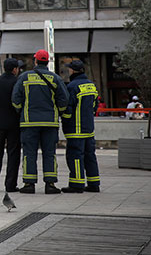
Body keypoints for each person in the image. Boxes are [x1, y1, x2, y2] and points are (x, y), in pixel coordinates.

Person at [11, 49, 68, 195]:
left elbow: (15, 99)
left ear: (35, 61)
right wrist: (59, 112)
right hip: (50, 123)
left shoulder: (24, 77)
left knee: (29, 154)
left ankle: (29, 184)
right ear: (47, 62)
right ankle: (50, 184)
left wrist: (21, 111)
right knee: (49, 154)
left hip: (29, 123)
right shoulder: (55, 78)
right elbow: (64, 99)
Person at [61, 60, 100, 193]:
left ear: (72, 70)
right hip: (89, 129)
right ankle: (94, 184)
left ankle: (76, 184)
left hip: (75, 129)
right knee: (90, 156)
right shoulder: (91, 85)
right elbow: (95, 106)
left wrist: (65, 121)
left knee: (75, 156)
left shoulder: (72, 86)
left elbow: (68, 108)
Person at [0, 57, 23, 193]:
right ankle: (10, 185)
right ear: (15, 69)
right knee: (13, 154)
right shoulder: (17, 82)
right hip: (14, 123)